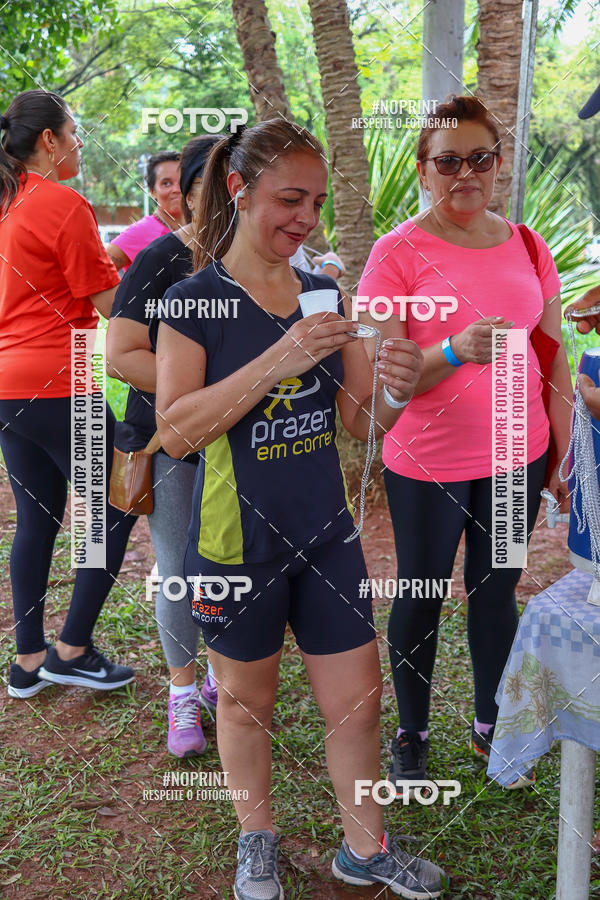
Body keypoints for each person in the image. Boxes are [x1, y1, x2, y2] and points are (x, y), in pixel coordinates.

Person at [152, 121, 447, 899]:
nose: (306, 219)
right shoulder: (194, 301)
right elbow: (175, 431)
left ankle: (364, 848)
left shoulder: (322, 293)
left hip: (325, 535)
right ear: (240, 189)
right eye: (291, 199)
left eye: (316, 203)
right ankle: (257, 841)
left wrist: (397, 386)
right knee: (245, 706)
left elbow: (358, 419)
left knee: (358, 704)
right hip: (234, 542)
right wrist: (280, 357)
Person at [357, 95, 573, 792]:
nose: (465, 174)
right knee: (421, 591)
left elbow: (552, 357)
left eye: (480, 158)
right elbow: (386, 379)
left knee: (495, 588)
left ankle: (491, 723)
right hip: (428, 460)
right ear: (423, 169)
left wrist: (563, 450)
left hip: (518, 452)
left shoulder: (529, 245)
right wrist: (453, 349)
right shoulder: (395, 254)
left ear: (499, 164)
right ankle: (411, 732)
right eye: (448, 161)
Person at [0, 90, 136, 699]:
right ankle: (73, 649)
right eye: (75, 132)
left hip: (8, 386)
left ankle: (28, 659)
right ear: (48, 140)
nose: (81, 143)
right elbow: (110, 304)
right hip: (62, 378)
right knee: (115, 505)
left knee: (36, 518)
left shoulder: (7, 203)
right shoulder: (61, 203)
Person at [106, 134, 223, 757]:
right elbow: (120, 355)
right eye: (210, 183)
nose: (227, 195)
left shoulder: (264, 259)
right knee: (178, 569)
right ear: (190, 193)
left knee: (231, 565)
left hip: (243, 441)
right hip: (169, 439)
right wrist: (202, 386)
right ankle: (182, 691)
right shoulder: (161, 258)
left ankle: (219, 676)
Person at [106, 151, 184, 271]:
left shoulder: (202, 228)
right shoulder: (140, 232)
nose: (176, 189)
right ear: (152, 191)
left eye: (182, 182)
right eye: (166, 183)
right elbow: (97, 273)